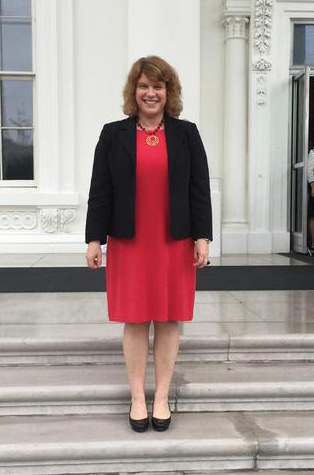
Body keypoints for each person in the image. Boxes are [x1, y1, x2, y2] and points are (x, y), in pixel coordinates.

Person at [85, 56, 212, 432]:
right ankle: (138, 396)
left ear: (168, 92)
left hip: (175, 240)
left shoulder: (186, 134)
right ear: (133, 91)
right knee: (136, 319)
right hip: (130, 241)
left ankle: (162, 397)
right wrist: (95, 238)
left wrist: (202, 236)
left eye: (158, 86)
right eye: (143, 86)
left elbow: (198, 188)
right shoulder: (113, 134)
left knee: (169, 318)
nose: (150, 93)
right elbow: (101, 190)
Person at [308, 147, 314, 251]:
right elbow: (310, 171)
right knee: (313, 215)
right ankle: (313, 243)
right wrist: (313, 186)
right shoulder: (313, 152)